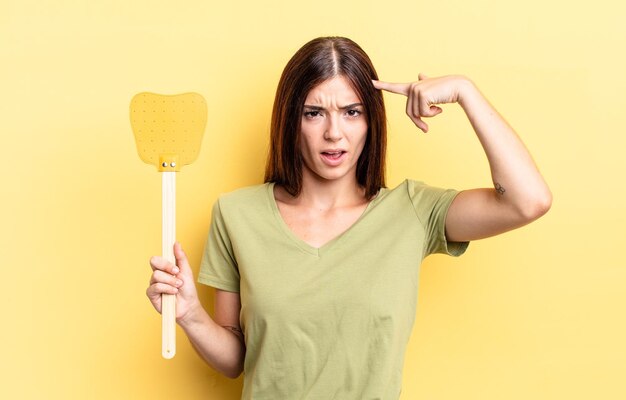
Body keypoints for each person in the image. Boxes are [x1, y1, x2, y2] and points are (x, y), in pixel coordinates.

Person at [146, 36, 551, 399]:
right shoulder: (236, 214)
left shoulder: (412, 211)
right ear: (291, 121)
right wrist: (190, 315)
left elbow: (527, 200)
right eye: (314, 113)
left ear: (372, 120)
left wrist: (465, 91)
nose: (334, 133)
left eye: (352, 112)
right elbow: (236, 359)